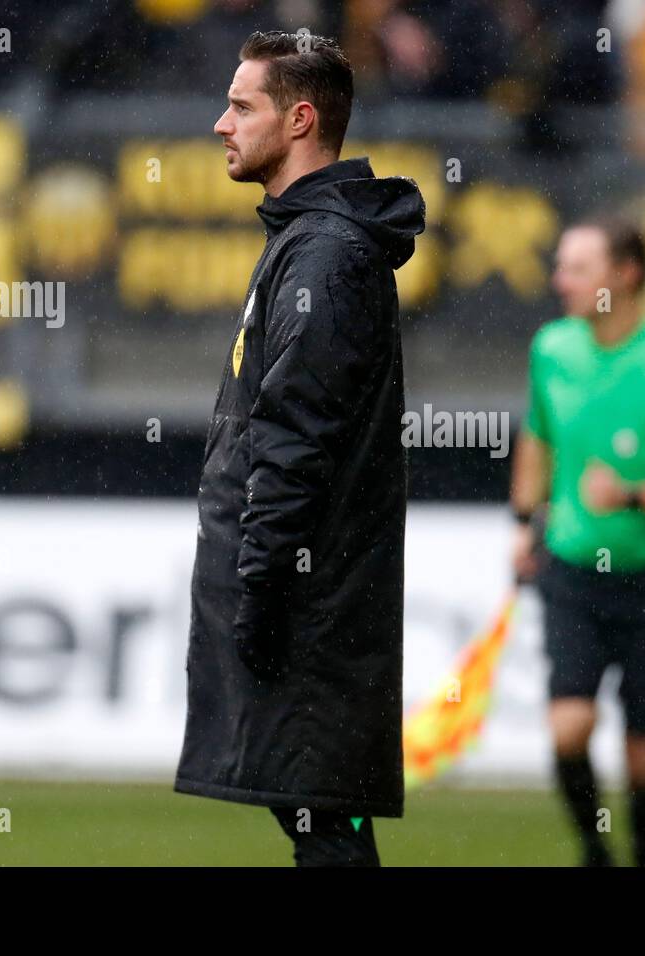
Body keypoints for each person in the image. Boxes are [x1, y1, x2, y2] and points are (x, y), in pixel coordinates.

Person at [173, 30, 425, 867]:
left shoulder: (325, 254)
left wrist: (263, 585)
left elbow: (296, 438)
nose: (222, 123)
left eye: (242, 106)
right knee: (316, 821)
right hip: (305, 591)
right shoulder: (307, 242)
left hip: (308, 602)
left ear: (301, 119)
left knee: (325, 825)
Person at [510, 217, 645, 866]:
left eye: (577, 268)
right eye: (562, 266)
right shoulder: (552, 349)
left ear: (625, 275)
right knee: (568, 728)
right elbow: (537, 437)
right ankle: (593, 852)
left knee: (643, 758)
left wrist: (633, 493)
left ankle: (643, 862)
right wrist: (525, 521)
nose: (560, 281)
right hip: (574, 573)